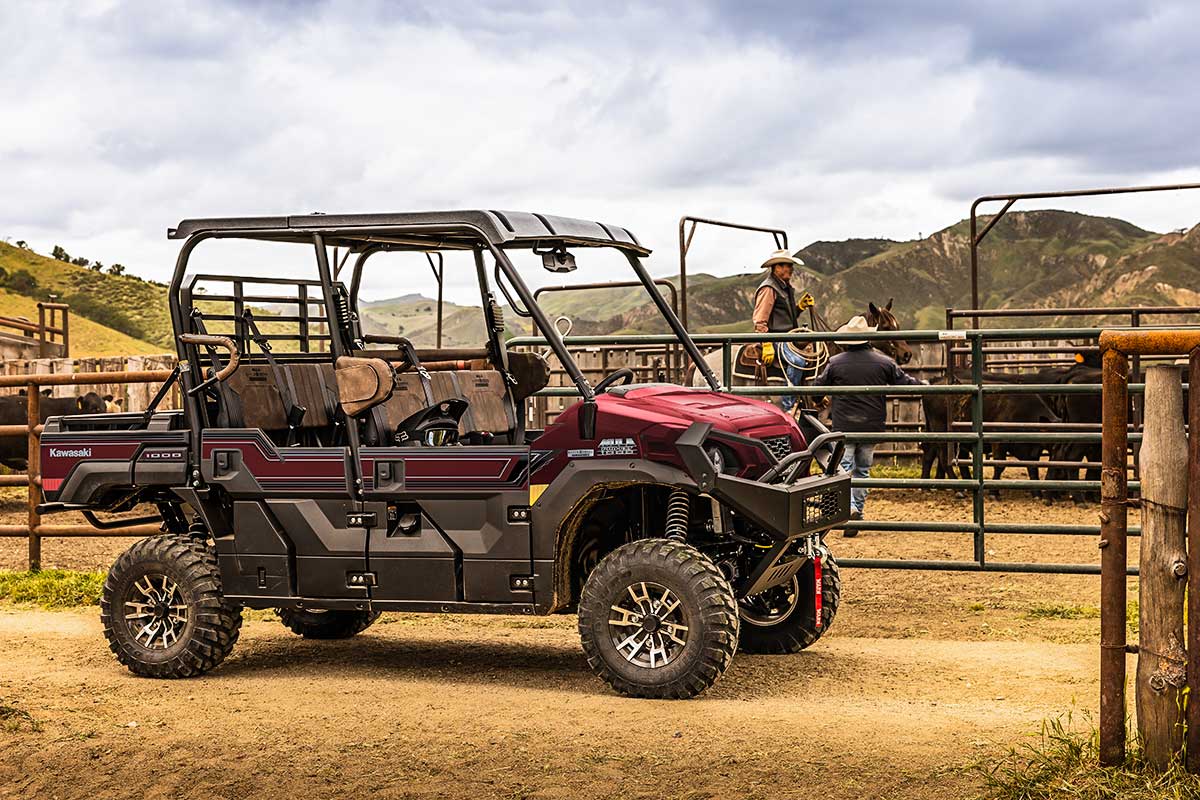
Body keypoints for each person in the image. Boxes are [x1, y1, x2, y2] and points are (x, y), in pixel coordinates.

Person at [812, 315, 924, 536]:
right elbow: (905, 382)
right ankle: (858, 514)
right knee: (862, 470)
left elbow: (817, 388)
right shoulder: (883, 362)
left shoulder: (835, 363)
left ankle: (851, 508)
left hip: (844, 425)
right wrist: (927, 386)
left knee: (843, 468)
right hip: (871, 425)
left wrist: (818, 401)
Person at [751, 249, 814, 412]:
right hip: (776, 337)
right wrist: (766, 343)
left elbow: (785, 315)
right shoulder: (769, 288)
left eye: (790, 265)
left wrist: (799, 308)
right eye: (784, 265)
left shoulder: (784, 287)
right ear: (775, 268)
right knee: (798, 361)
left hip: (787, 336)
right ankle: (789, 405)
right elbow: (760, 319)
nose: (789, 269)